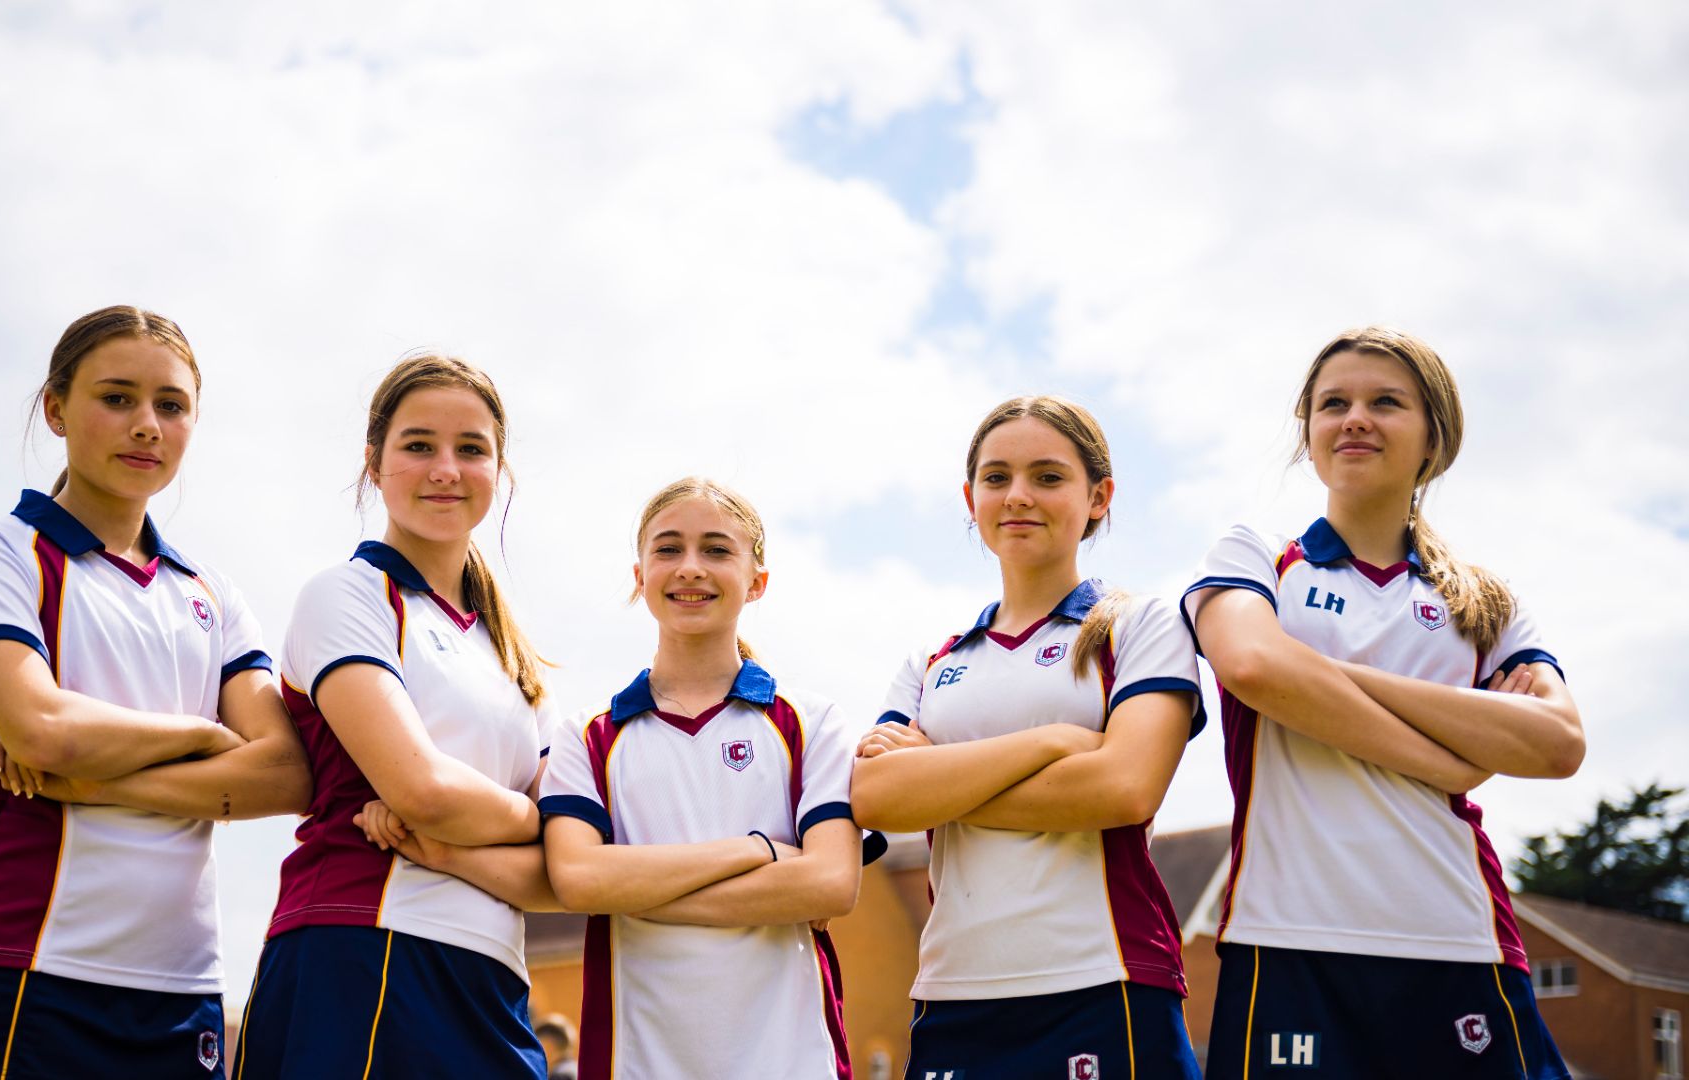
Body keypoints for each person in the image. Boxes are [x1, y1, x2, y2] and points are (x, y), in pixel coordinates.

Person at [0, 305, 311, 1079]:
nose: (146, 425)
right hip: (12, 961)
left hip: (181, 988)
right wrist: (204, 736)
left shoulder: (213, 594)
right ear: (55, 408)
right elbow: (44, 732)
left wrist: (87, 777)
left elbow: (287, 775)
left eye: (171, 405)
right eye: (117, 397)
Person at [1183, 327, 1584, 1079]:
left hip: (1459, 938)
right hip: (1289, 940)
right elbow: (1255, 667)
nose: (1355, 418)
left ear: (1435, 438)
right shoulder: (1253, 554)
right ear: (1308, 434)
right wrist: (1454, 757)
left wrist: (1324, 676)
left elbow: (1558, 743)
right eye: (1334, 403)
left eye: (1386, 402)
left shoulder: (1485, 601)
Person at [851, 395, 1206, 1079]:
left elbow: (1123, 788)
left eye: (1047, 477)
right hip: (954, 996)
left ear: (1099, 496)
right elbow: (874, 799)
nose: (1017, 496)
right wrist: (1055, 745)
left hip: (1105, 980)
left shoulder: (1139, 626)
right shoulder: (933, 660)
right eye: (996, 477)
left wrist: (939, 783)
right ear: (970, 496)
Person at [233, 354, 557, 1079]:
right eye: (418, 445)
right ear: (374, 464)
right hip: (363, 947)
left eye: (471, 448)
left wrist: (478, 837)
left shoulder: (514, 653)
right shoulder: (347, 597)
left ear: (498, 473)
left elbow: (562, 859)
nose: (446, 467)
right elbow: (422, 792)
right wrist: (531, 817)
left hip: (493, 973)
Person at [539, 478, 867, 1080]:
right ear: (640, 576)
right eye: (668, 549)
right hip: (636, 1064)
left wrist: (636, 889)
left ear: (757, 581)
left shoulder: (811, 721)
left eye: (716, 550)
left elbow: (829, 885)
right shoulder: (586, 736)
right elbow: (580, 882)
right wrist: (757, 852)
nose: (690, 568)